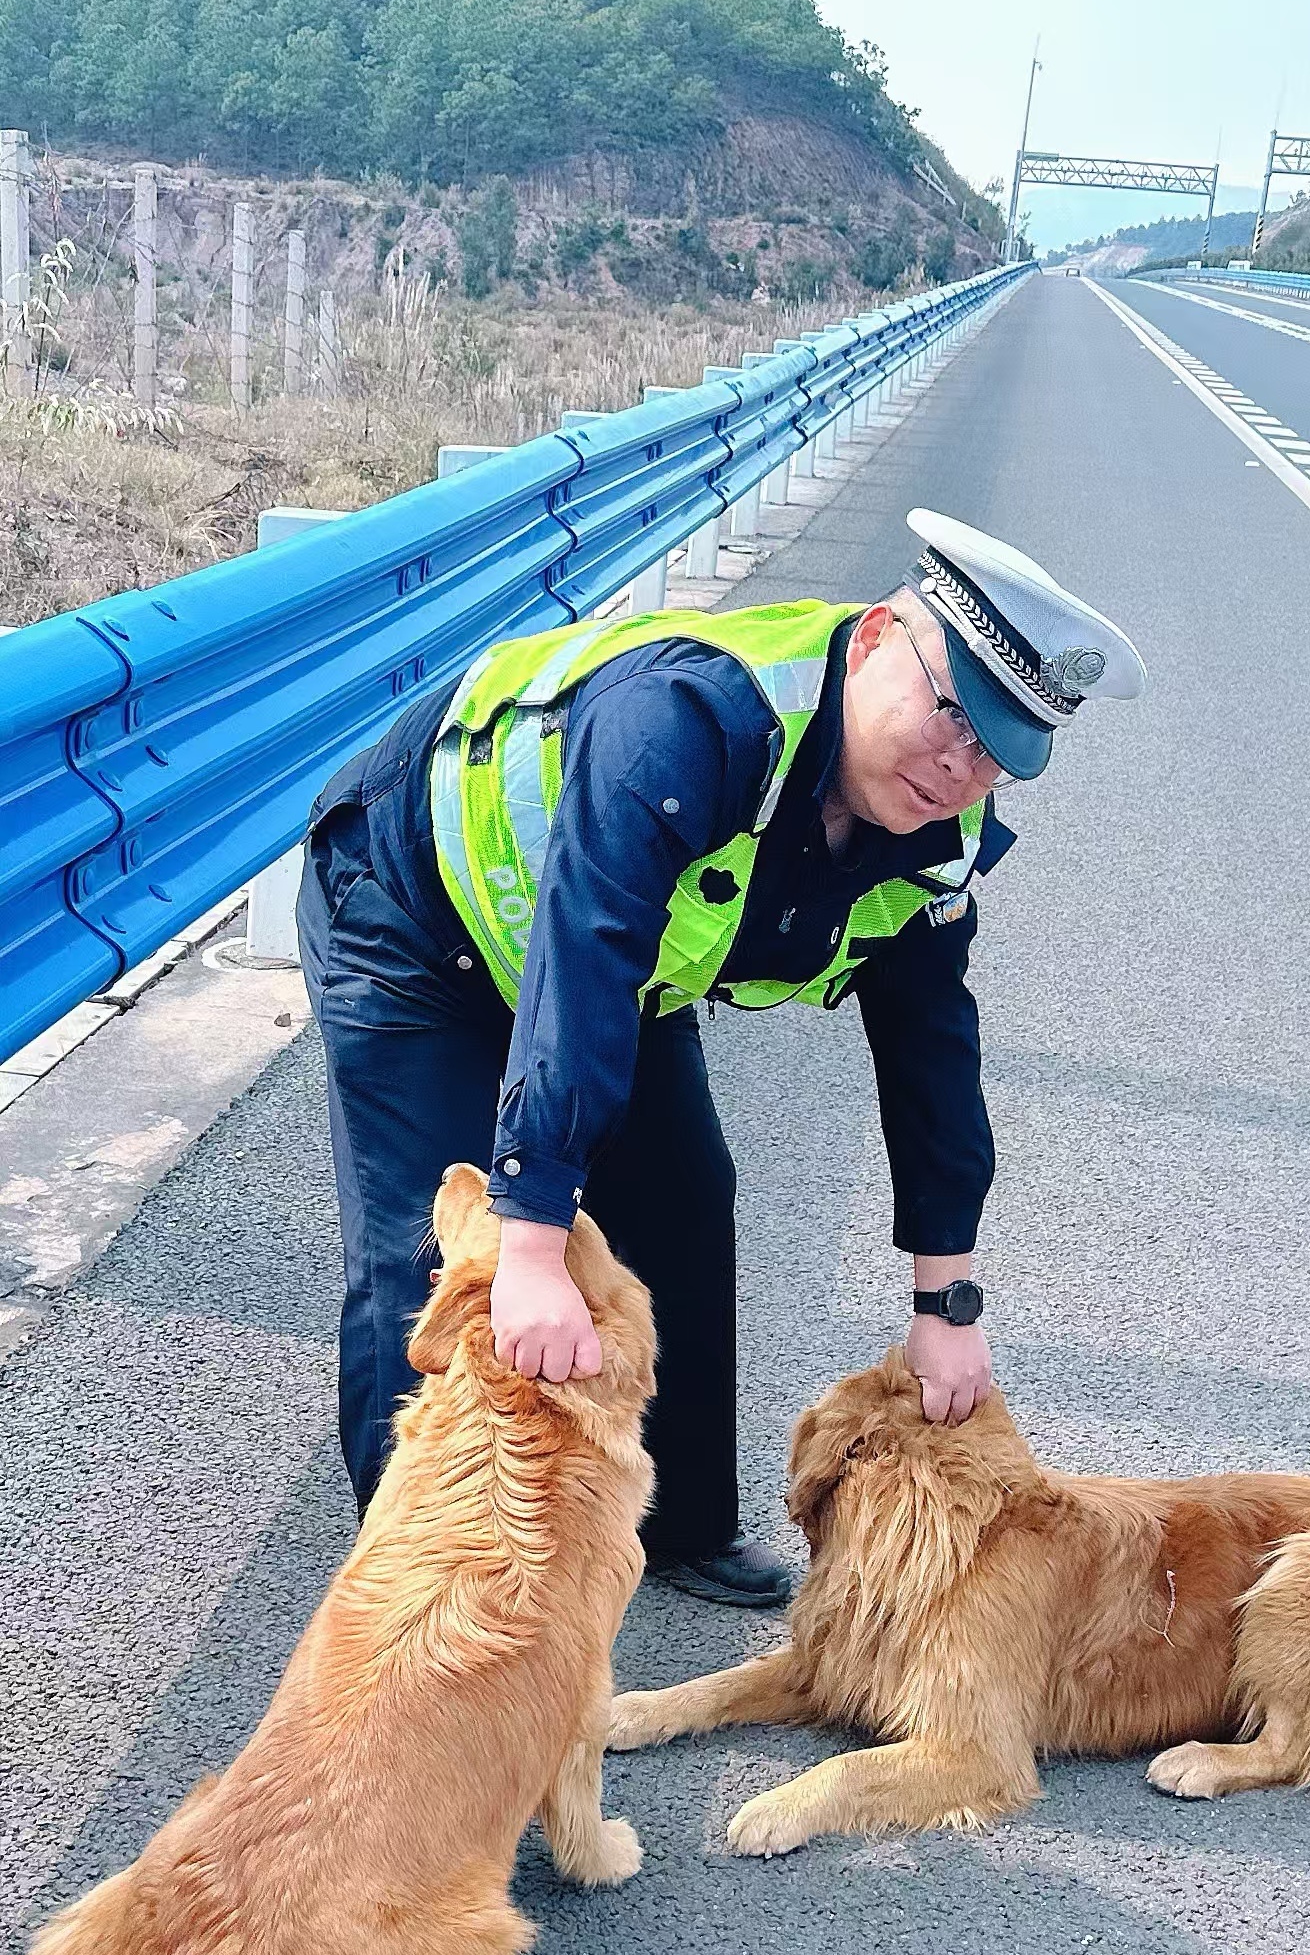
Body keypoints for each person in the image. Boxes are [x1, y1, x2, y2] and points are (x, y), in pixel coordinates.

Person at [296, 508, 1144, 1608]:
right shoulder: (686, 722)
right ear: (881, 633)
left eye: (999, 753)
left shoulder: (937, 837)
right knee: (442, 1259)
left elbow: (932, 1050)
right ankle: (410, 1592)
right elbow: (584, 958)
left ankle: (681, 1522)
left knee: (686, 1197)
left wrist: (947, 1305)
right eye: (952, 715)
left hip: (620, 961)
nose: (958, 767)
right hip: (414, 912)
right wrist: (536, 1243)